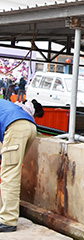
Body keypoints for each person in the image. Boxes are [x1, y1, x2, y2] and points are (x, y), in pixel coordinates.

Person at [0, 99, 44, 232]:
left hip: (15, 128)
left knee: (10, 174)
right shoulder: (8, 105)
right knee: (11, 171)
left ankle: (8, 220)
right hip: (28, 127)